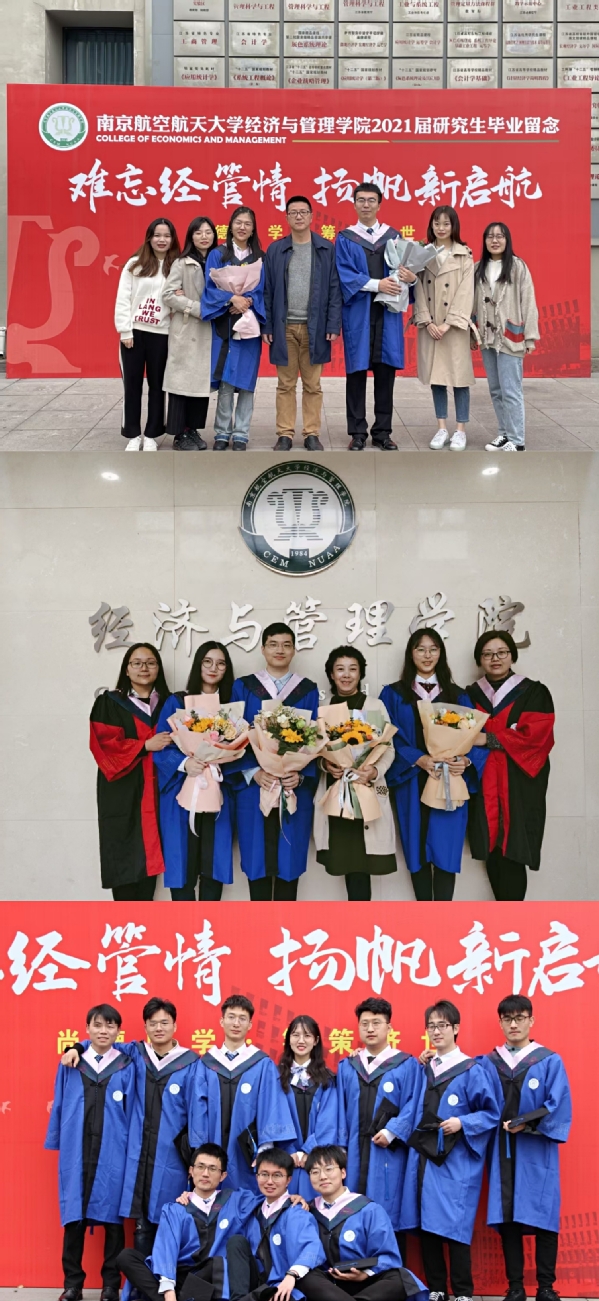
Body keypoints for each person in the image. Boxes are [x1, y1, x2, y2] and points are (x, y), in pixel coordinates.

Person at [61, 998, 208, 1258]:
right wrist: (75, 1047)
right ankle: (142, 1279)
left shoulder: (191, 1063)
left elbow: (197, 1111)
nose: (159, 1028)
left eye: (164, 1023)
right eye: (153, 1023)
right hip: (137, 1153)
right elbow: (100, 1044)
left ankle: (166, 1276)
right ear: (145, 1026)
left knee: (170, 1215)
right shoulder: (135, 1053)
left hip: (170, 1155)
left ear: (175, 1026)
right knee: (141, 1223)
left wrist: (196, 1156)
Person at [401, 1000, 500, 1301]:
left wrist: (462, 1122)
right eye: (431, 1026)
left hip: (455, 1160)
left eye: (442, 1025)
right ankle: (437, 1289)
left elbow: (491, 1113)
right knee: (428, 1225)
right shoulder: (426, 1068)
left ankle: (464, 1292)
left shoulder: (471, 1069)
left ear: (456, 1028)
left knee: (456, 1226)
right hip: (424, 1157)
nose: (436, 1031)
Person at [380, 629, 487, 901]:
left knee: (446, 846)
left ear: (441, 653)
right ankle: (423, 915)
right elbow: (386, 736)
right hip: (411, 779)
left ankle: (444, 915)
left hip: (449, 779)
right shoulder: (393, 694)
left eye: (433, 649)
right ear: (411, 654)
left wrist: (464, 761)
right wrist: (419, 758)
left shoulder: (457, 695)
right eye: (420, 649)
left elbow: (475, 738)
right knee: (415, 846)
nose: (427, 655)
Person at [481, 995, 572, 1301]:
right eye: (508, 1019)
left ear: (531, 1021)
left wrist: (530, 1126)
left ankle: (546, 1287)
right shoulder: (490, 1062)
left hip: (537, 1151)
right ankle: (515, 1287)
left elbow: (558, 1105)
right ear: (500, 1023)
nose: (514, 1024)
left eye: (520, 1018)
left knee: (544, 1215)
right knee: (509, 1217)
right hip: (502, 1151)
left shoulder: (549, 1061)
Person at [45, 1003, 136, 1301]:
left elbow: (133, 1110)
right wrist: (59, 1139)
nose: (103, 1031)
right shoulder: (72, 1063)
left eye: (110, 1025)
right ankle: (73, 1284)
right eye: (97, 1025)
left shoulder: (126, 1063)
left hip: (114, 1150)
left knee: (113, 1221)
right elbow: (60, 1103)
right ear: (87, 1029)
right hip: (77, 1149)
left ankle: (110, 1285)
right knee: (74, 1219)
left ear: (118, 1031)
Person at [230, 623, 319, 900]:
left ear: (294, 650)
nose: (280, 650)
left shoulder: (307, 689)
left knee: (288, 860)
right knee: (256, 859)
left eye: (286, 645)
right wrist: (253, 772)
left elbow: (315, 739)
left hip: (292, 787)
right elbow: (233, 736)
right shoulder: (243, 686)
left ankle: (285, 925)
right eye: (273, 644)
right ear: (263, 649)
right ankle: (258, 926)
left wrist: (300, 776)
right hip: (255, 787)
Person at [466, 630, 555, 900]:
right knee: (491, 846)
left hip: (516, 783)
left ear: (512, 656)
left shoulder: (533, 692)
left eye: (501, 652)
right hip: (484, 781)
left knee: (514, 846)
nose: (495, 659)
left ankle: (513, 916)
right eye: (487, 654)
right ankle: (503, 915)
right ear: (480, 660)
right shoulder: (470, 695)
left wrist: (489, 738)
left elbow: (537, 736)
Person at [117, 1143, 262, 1301]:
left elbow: (271, 1197)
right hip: (180, 1277)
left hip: (210, 1276)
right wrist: (169, 1292)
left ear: (223, 1176)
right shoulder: (175, 1209)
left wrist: (290, 1195)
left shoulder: (235, 1201)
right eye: (200, 1167)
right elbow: (166, 1249)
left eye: (213, 1169)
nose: (205, 1174)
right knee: (126, 1257)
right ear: (191, 1170)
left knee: (217, 1264)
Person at [153, 640, 238, 900]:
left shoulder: (231, 707)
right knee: (182, 860)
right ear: (198, 665)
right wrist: (184, 764)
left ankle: (208, 924)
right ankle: (184, 923)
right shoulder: (177, 702)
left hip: (218, 791)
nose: (213, 668)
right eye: (207, 662)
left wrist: (219, 760)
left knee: (214, 862)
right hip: (181, 791)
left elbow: (241, 748)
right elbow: (161, 744)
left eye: (221, 663)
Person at [335, 183, 417, 451]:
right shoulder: (346, 238)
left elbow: (406, 272)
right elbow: (344, 274)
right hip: (358, 313)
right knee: (356, 374)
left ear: (380, 204)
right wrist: (376, 285)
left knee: (385, 374)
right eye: (361, 200)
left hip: (386, 314)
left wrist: (410, 278)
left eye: (371, 200)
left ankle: (382, 432)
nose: (366, 205)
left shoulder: (393, 237)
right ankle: (357, 432)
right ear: (354, 204)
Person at [89, 642, 173, 900]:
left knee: (151, 858)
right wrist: (144, 746)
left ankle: (143, 920)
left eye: (150, 663)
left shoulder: (169, 704)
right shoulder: (110, 702)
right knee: (124, 855)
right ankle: (125, 922)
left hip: (159, 791)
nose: (144, 668)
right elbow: (104, 745)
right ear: (127, 669)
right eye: (137, 663)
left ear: (158, 668)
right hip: (123, 793)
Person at [314, 646, 397, 901]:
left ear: (360, 673)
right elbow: (315, 750)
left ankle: (362, 919)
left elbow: (388, 748)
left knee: (363, 861)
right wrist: (326, 765)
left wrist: (375, 771)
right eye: (340, 669)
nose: (346, 675)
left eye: (353, 669)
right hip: (337, 791)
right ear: (331, 674)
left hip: (367, 788)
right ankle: (353, 918)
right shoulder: (324, 708)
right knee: (345, 858)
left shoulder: (374, 705)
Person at [336, 998, 420, 1244]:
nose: (370, 1029)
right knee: (349, 1218)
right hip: (352, 1154)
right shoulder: (348, 1066)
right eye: (364, 1024)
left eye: (376, 1023)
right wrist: (340, 1148)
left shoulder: (406, 1065)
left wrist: (392, 1131)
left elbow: (413, 1105)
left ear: (389, 1028)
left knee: (386, 1214)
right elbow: (337, 1110)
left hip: (387, 1153)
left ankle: (390, 1267)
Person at [262, 195, 342, 452]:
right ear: (286, 217)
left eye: (303, 212)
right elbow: (267, 290)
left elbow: (334, 289)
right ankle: (285, 434)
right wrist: (267, 326)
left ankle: (311, 433)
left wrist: (332, 325)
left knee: (313, 385)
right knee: (285, 384)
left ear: (310, 216)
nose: (298, 216)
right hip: (284, 327)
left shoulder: (325, 249)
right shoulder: (276, 250)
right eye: (293, 212)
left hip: (314, 328)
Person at [301, 1144, 428, 1301]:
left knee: (400, 1277)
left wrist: (365, 1274)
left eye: (329, 1169)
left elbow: (387, 1256)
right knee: (305, 1277)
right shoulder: (307, 1211)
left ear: (343, 1172)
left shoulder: (368, 1209)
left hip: (366, 1283)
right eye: (315, 1172)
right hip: (326, 1285)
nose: (322, 1176)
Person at [201, 995, 297, 1192]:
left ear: (250, 1024)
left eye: (242, 1018)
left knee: (246, 1197)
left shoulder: (262, 1064)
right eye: (231, 1017)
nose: (236, 1023)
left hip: (247, 1154)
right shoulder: (206, 1064)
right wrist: (199, 1148)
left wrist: (264, 1148)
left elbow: (271, 1106)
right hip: (211, 1148)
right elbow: (197, 1109)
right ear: (221, 1021)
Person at [472, 222, 539, 453]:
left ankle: (517, 440)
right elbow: (472, 303)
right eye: (490, 236)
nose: (495, 240)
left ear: (507, 240)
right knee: (496, 389)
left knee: (511, 390)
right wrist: (473, 333)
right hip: (487, 338)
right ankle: (504, 433)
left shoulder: (518, 267)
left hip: (511, 337)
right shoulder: (478, 268)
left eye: (500, 236)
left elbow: (528, 301)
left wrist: (530, 337)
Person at [201, 206, 265, 450]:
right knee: (226, 379)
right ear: (230, 226)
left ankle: (241, 433)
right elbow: (210, 287)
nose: (242, 227)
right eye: (238, 222)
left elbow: (265, 289)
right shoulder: (218, 254)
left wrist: (248, 300)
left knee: (247, 380)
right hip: (225, 324)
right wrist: (231, 299)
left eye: (247, 223)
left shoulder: (260, 257)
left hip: (250, 324)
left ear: (253, 229)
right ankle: (221, 432)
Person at [114, 216, 180, 450]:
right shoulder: (135, 265)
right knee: (131, 386)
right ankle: (133, 434)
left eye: (167, 236)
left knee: (157, 387)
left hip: (162, 335)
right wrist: (125, 331)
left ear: (173, 239)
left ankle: (152, 433)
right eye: (157, 235)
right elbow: (123, 298)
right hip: (134, 334)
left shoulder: (177, 266)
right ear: (149, 238)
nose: (162, 240)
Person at [413, 206, 475, 453]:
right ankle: (441, 427)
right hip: (431, 326)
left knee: (459, 379)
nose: (441, 228)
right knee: (436, 378)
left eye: (446, 224)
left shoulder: (464, 255)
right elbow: (417, 288)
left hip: (454, 327)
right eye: (437, 223)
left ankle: (460, 430)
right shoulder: (423, 254)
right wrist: (427, 321)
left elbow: (466, 292)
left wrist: (448, 323)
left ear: (454, 226)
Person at [237, 1148, 326, 1301]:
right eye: (264, 1174)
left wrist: (292, 1275)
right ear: (257, 1176)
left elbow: (312, 1247)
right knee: (236, 1242)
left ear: (288, 1180)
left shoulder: (297, 1213)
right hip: (256, 1285)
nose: (269, 1181)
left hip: (285, 1287)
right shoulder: (252, 1207)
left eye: (277, 1175)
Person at [163, 216, 218, 451]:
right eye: (198, 232)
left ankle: (193, 429)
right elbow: (168, 294)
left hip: (209, 330)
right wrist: (197, 308)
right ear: (191, 237)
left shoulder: (219, 261)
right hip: (188, 328)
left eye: (208, 232)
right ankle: (179, 434)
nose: (204, 236)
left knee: (199, 382)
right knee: (182, 381)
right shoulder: (181, 263)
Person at [279, 1016, 338, 1199]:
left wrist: (307, 1151)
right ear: (288, 1039)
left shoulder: (327, 1079)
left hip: (315, 1159)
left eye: (307, 1035)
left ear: (316, 1040)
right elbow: (274, 1116)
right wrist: (290, 1151)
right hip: (284, 1157)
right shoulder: (276, 1076)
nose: (301, 1040)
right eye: (296, 1035)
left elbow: (329, 1120)